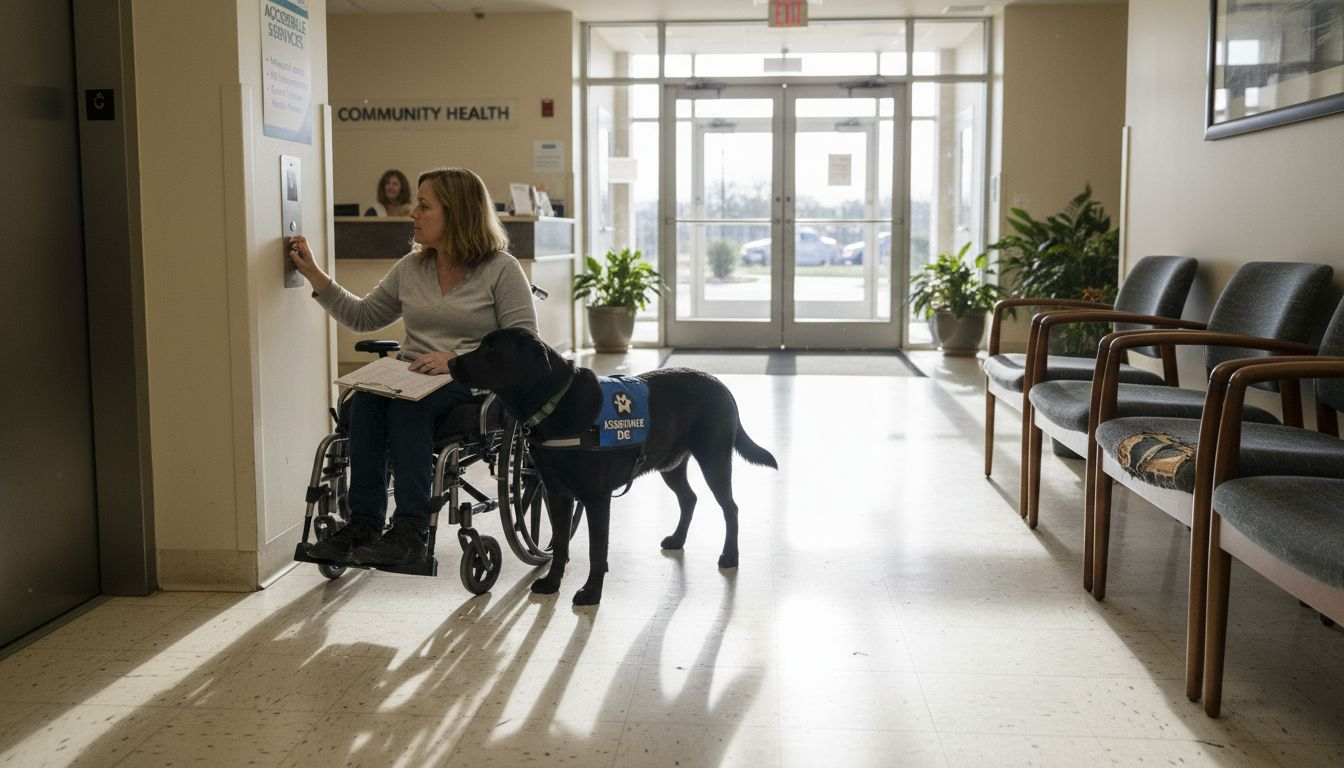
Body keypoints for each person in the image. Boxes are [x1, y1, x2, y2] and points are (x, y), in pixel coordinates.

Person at [288, 167, 537, 567]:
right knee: (366, 403)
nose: (412, 214)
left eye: (423, 206)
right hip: (412, 377)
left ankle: (410, 529)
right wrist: (314, 274)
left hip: (471, 382)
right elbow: (365, 316)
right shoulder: (412, 267)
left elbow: (523, 344)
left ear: (456, 214)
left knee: (409, 408)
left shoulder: (501, 269)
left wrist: (457, 361)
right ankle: (365, 522)